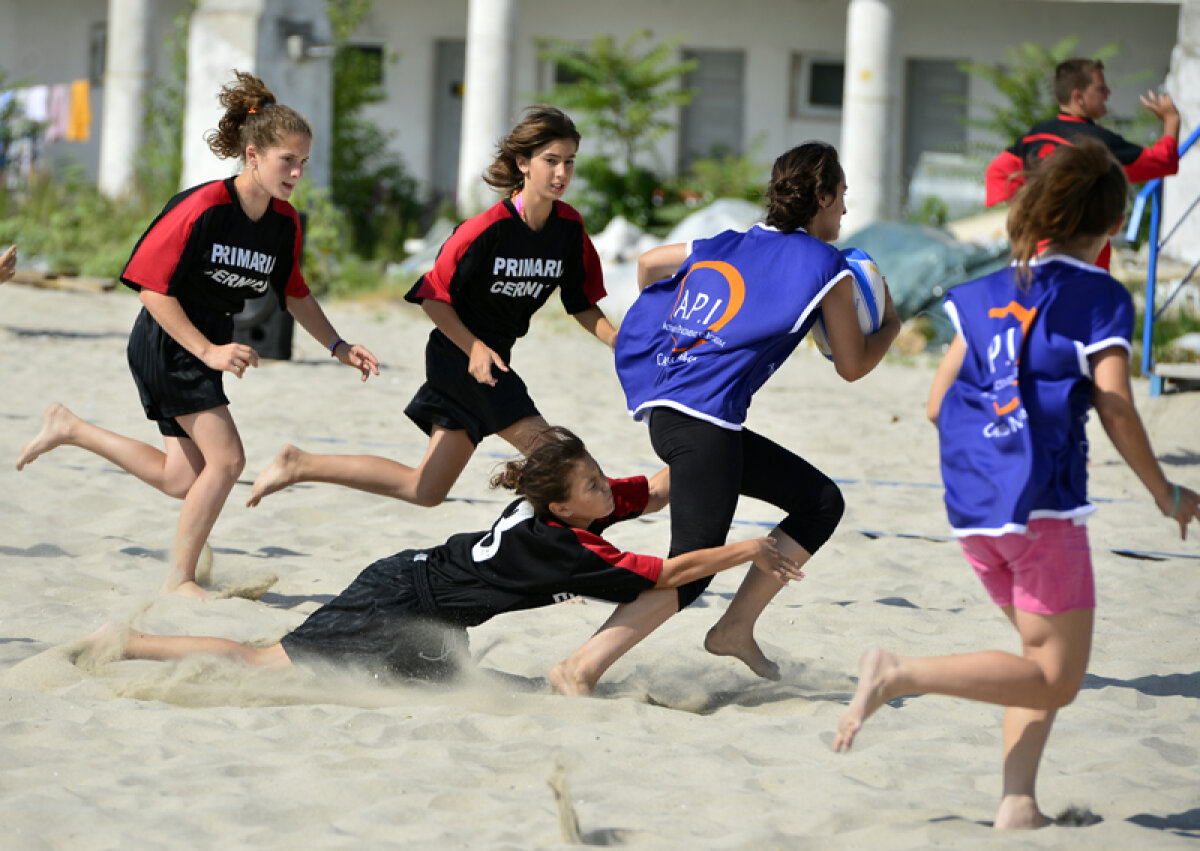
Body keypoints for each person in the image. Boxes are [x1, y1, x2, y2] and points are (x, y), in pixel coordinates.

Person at [832, 139, 1200, 830]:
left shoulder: (991, 289)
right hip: (1042, 508)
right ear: (1114, 224)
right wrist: (1166, 491)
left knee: (1036, 661)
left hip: (973, 509)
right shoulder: (1098, 294)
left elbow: (939, 404)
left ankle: (1017, 802)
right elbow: (1116, 403)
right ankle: (897, 672)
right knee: (1058, 675)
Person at [549, 142, 901, 697]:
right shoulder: (828, 266)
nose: (845, 213)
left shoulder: (729, 240)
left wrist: (674, 331)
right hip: (704, 428)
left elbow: (647, 264)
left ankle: (735, 627)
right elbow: (853, 366)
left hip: (674, 413)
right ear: (825, 196)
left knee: (819, 501)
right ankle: (581, 666)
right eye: (842, 199)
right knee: (691, 570)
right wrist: (893, 327)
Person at [15, 71, 379, 599]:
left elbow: (294, 292)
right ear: (252, 155)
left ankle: (70, 427)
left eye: (303, 162)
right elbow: (148, 288)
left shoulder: (284, 222)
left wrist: (338, 346)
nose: (297, 172)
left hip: (202, 346)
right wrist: (208, 350)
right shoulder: (204, 206)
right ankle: (180, 581)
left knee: (181, 479)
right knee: (228, 461)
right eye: (287, 160)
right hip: (170, 341)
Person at [89, 427, 802, 681]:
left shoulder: (566, 500)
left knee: (440, 686)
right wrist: (750, 546)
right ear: (563, 506)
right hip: (397, 597)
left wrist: (712, 451)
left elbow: (647, 491)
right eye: (592, 481)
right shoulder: (562, 545)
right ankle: (129, 644)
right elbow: (673, 573)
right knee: (261, 661)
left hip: (433, 612)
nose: (601, 486)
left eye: (595, 476)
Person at [246, 105, 616, 509]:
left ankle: (298, 463)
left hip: (494, 358)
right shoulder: (485, 228)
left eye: (569, 162)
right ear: (523, 163)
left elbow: (581, 302)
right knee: (566, 464)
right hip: (462, 358)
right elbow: (431, 295)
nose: (561, 173)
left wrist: (617, 340)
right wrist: (474, 346)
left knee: (425, 490)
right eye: (551, 161)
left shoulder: (569, 229)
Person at [985, 57, 1181, 269]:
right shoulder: (1099, 143)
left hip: (1036, 256)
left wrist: (1031, 211)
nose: (1108, 93)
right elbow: (1163, 160)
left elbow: (996, 173)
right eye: (1100, 89)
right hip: (1086, 261)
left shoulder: (1035, 136)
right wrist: (1172, 121)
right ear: (1079, 97)